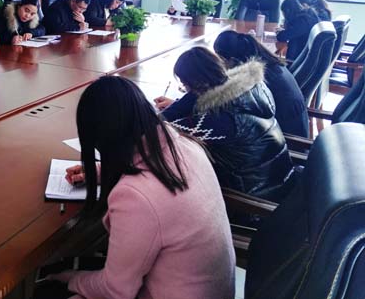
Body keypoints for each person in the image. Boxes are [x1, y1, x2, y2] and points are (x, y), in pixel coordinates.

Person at [42, 76, 235, 299]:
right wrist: (100, 171)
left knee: (49, 287)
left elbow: (115, 290)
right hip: (209, 288)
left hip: (167, 292)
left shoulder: (135, 197)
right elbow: (146, 164)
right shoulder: (186, 146)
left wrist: (71, 279)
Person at [155, 47, 297, 202]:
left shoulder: (221, 121)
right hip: (279, 183)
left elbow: (164, 131)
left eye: (185, 85)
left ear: (197, 84)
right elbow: (178, 112)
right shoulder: (251, 89)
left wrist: (158, 114)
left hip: (253, 201)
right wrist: (189, 98)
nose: (185, 89)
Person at [213, 30, 309, 137]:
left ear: (231, 59)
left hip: (288, 138)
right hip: (290, 128)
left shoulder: (256, 77)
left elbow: (235, 106)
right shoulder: (268, 63)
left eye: (219, 60)